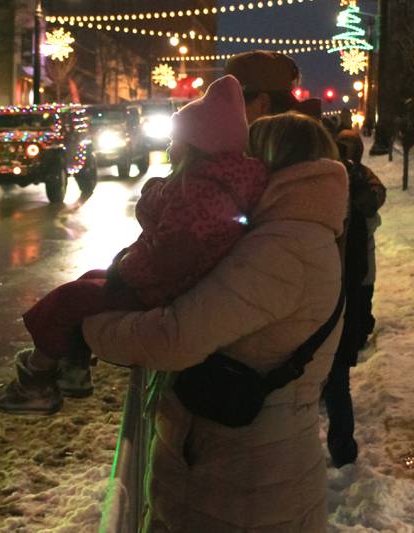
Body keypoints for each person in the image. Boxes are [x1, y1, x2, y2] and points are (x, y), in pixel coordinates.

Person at [82, 112, 348, 531]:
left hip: (243, 487)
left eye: (243, 157)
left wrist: (92, 326)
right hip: (241, 473)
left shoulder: (283, 248)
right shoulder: (294, 234)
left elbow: (174, 337)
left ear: (266, 163)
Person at [0, 75, 269, 415]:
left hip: (160, 290)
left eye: (175, 139)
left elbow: (170, 255)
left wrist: (125, 266)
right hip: (170, 282)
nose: (169, 146)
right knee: (91, 277)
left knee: (68, 300)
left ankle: (36, 380)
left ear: (195, 144)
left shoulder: (201, 191)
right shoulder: (210, 183)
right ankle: (74, 365)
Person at [321, 115, 387, 467]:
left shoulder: (337, 181)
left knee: (334, 375)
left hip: (336, 286)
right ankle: (342, 446)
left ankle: (341, 445)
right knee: (337, 377)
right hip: (345, 283)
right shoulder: (353, 180)